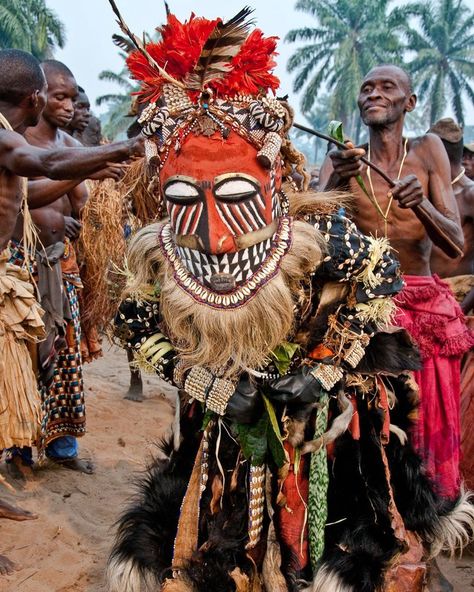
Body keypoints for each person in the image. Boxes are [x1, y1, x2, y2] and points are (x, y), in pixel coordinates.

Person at [105, 12, 474, 592]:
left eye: (234, 196)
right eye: (184, 198)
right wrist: (207, 384)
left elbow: (377, 286)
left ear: (272, 182)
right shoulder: (156, 252)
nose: (214, 232)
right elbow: (133, 323)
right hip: (224, 413)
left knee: (330, 519)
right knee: (220, 524)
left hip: (316, 415)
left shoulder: (321, 233)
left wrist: (322, 374)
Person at [319, 64, 474, 590]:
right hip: (366, 314)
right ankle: (367, 549)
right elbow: (310, 234)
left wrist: (423, 205)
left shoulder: (429, 151)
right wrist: (333, 182)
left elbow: (454, 242)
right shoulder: (343, 159)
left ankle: (425, 555)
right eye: (366, 87)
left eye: (387, 87)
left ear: (409, 102)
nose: (373, 94)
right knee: (369, 438)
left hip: (425, 312)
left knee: (427, 439)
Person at [0, 47, 142, 572]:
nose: (66, 103)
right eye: (56, 93)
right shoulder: (9, 138)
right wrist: (126, 147)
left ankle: (35, 459)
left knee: (35, 368)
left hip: (25, 276)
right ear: (34, 97)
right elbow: (44, 169)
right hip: (13, 273)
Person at [429, 118, 474, 494]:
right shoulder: (422, 186)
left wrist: (462, 311)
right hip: (427, 305)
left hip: (461, 310)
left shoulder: (470, 194)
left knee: (457, 405)